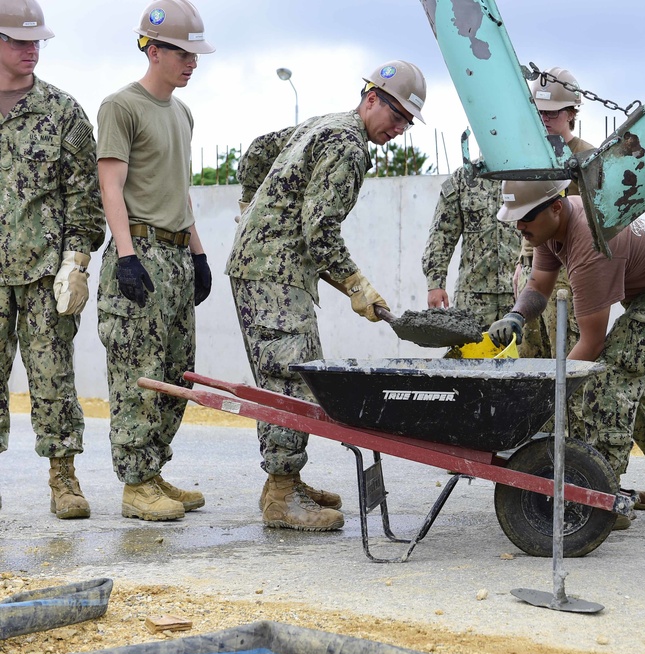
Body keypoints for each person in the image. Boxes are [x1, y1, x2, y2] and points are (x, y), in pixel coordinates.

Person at [226, 60, 428, 532]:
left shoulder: (325, 124)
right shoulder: (349, 145)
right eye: (395, 116)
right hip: (272, 272)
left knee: (297, 370)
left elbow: (257, 151)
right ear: (371, 98)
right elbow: (320, 232)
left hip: (270, 267)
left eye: (406, 123)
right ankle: (281, 495)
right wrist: (357, 286)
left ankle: (286, 479)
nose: (398, 129)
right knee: (289, 379)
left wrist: (250, 209)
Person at [489, 180, 645, 530]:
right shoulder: (550, 227)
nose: (519, 227)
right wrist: (516, 315)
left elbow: (590, 345)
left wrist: (548, 397)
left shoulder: (591, 241)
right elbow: (538, 285)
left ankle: (603, 499)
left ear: (555, 208)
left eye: (525, 218)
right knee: (630, 383)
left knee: (610, 383)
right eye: (514, 219)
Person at [95, 0, 215, 522]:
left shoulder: (182, 113)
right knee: (137, 373)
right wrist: (125, 255)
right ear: (155, 49)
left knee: (176, 374)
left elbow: (181, 192)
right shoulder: (121, 106)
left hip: (174, 255)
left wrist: (199, 253)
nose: (192, 63)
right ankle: (135, 484)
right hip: (138, 251)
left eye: (195, 55)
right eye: (184, 54)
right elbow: (111, 185)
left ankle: (153, 469)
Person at [0, 0, 104, 519]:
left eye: (36, 40)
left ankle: (63, 477)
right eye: (19, 40)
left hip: (46, 273)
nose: (30, 49)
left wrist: (78, 260)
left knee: (53, 380)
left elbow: (83, 195)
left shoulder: (62, 111)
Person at [515, 66, 593, 358]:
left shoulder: (588, 158)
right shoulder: (531, 155)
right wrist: (521, 263)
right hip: (534, 270)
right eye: (541, 113)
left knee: (566, 356)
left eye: (553, 113)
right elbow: (525, 215)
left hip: (569, 272)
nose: (545, 120)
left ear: (572, 113)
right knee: (529, 357)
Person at [421, 163, 519, 328]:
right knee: (470, 352)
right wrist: (435, 284)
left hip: (520, 297)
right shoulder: (463, 178)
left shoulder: (528, 174)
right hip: (473, 300)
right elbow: (442, 233)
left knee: (526, 353)